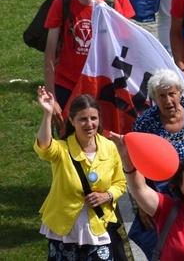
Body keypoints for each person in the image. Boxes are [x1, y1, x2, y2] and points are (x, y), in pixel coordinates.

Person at [129, 69, 184, 258]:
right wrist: (141, 202)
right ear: (153, 97)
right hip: (166, 195)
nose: (168, 100)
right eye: (161, 96)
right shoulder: (145, 123)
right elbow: (135, 161)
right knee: (173, 246)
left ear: (180, 92)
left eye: (171, 94)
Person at [35, 90, 127, 261]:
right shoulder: (62, 148)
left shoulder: (110, 147)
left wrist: (106, 196)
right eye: (83, 119)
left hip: (99, 228)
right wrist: (48, 113)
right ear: (72, 121)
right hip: (64, 231)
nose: (89, 124)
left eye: (93, 118)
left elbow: (120, 183)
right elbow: (44, 148)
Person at [44, 0, 127, 129]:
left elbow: (125, 47)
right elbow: (50, 54)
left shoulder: (111, 6)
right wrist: (52, 99)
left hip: (101, 85)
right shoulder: (61, 5)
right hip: (68, 84)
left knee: (103, 140)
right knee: (69, 141)